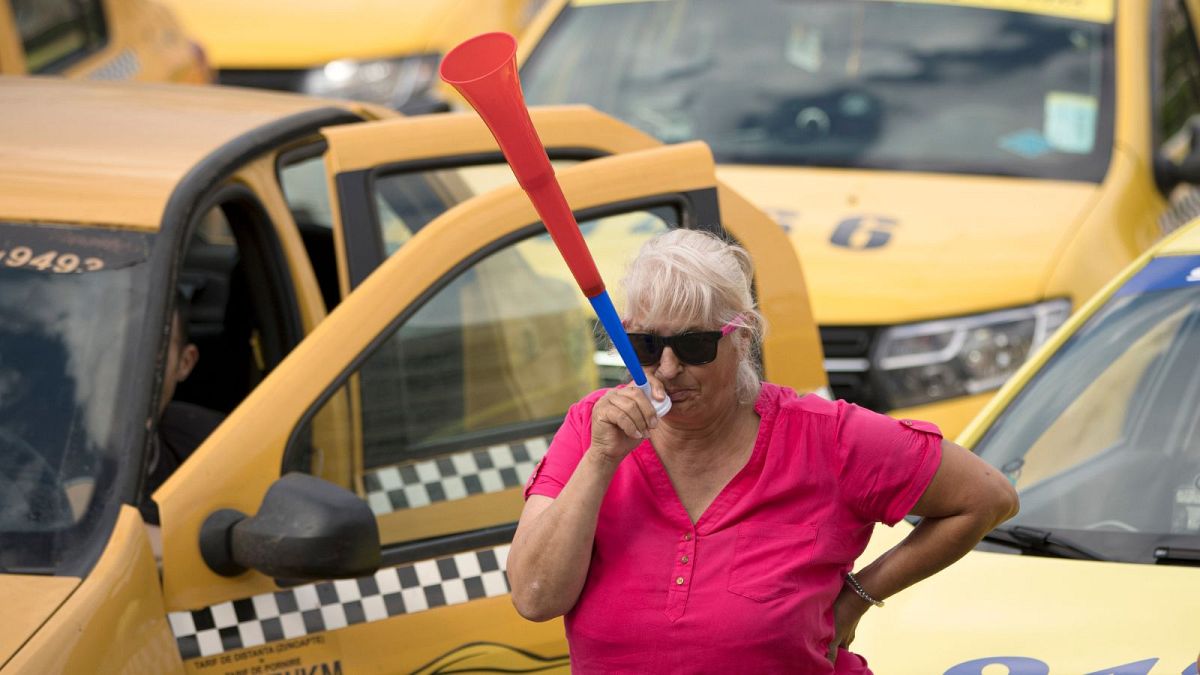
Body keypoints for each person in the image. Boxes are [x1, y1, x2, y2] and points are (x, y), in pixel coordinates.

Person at [508, 229, 1019, 673]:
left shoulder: (826, 437)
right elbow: (534, 598)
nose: (665, 369)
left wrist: (858, 596)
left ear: (742, 335)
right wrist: (600, 461)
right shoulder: (593, 428)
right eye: (642, 346)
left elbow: (987, 497)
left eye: (694, 346)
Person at [139, 288, 224, 527]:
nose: (130, 370)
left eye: (151, 353)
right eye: (117, 347)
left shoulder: (212, 451)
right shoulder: (39, 446)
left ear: (185, 363)